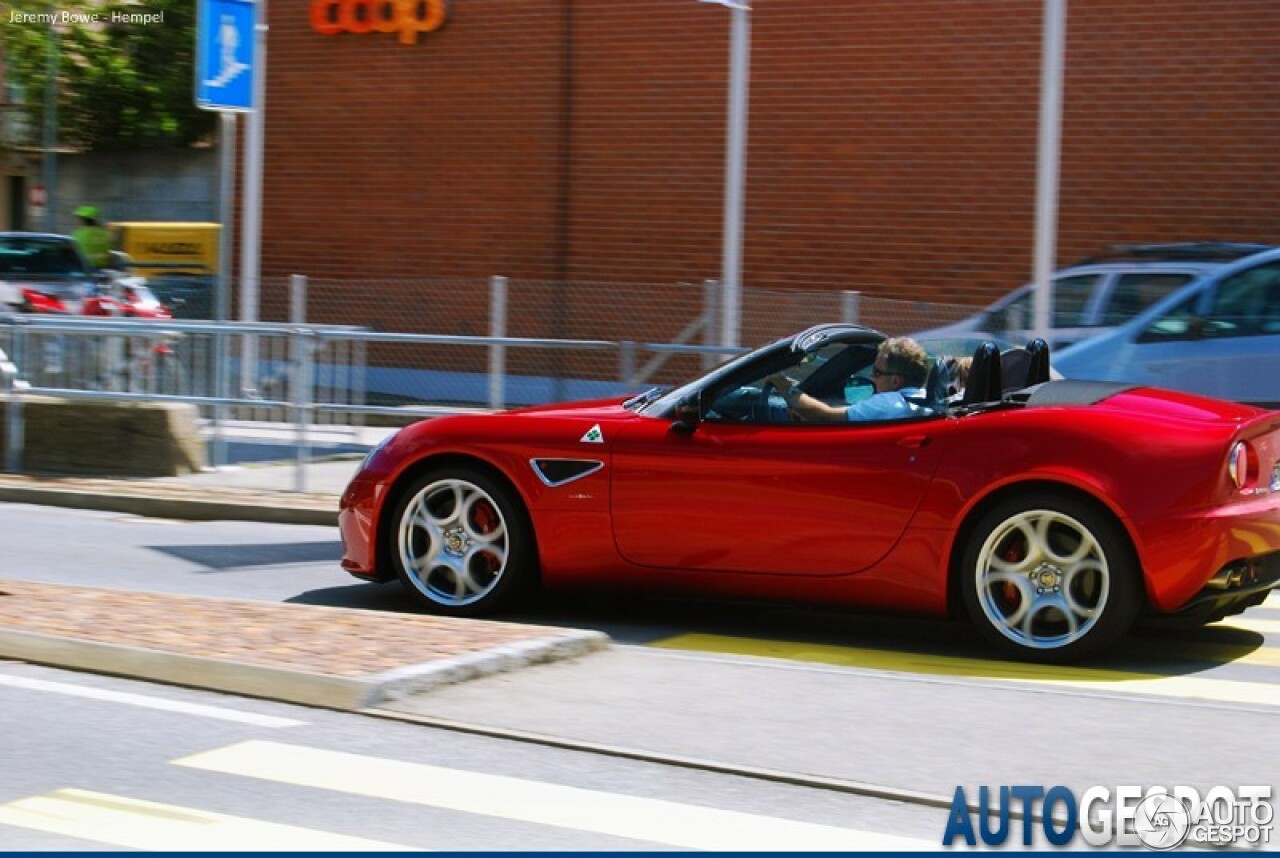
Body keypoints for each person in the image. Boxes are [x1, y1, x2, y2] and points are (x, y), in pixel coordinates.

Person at [769, 336, 932, 423]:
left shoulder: (887, 403)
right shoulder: (924, 398)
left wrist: (781, 383)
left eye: (876, 372)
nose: (870, 377)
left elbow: (824, 417)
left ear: (895, 381)